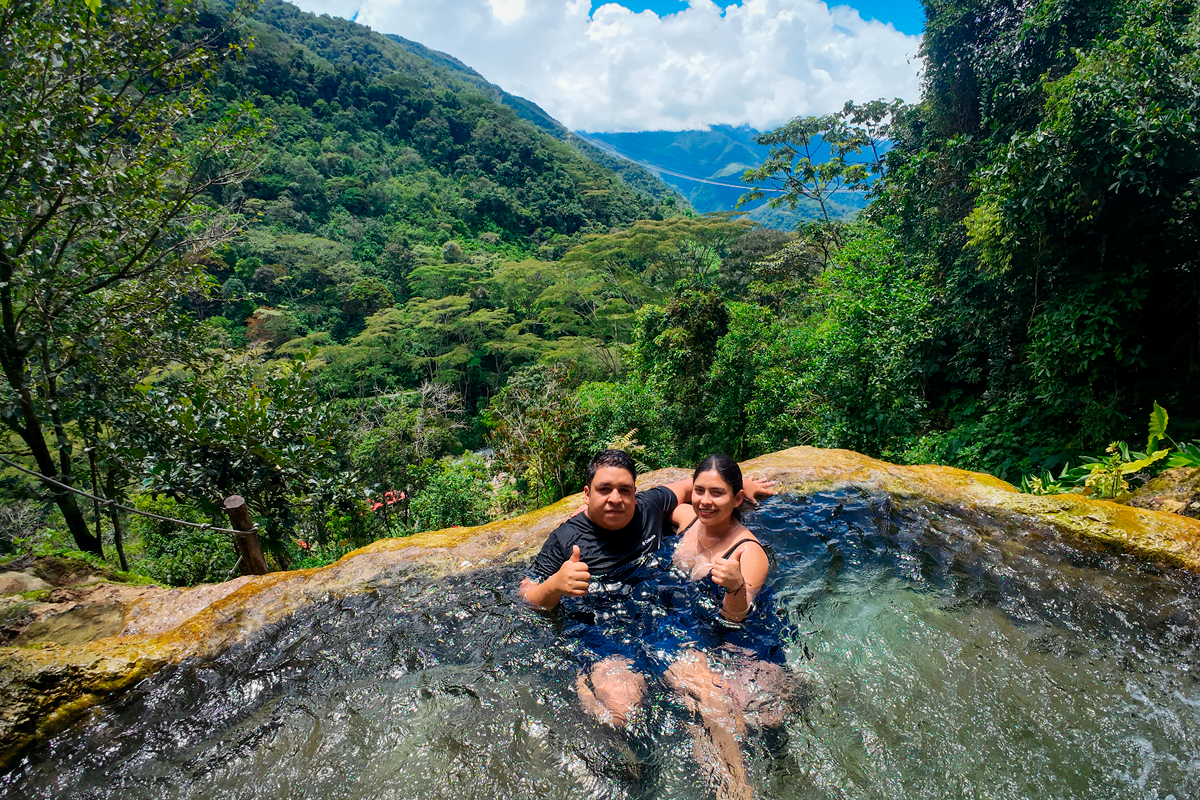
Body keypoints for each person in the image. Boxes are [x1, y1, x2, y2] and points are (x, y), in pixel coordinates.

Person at [518, 449, 775, 729]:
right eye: (603, 489)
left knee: (712, 701)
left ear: (634, 492)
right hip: (602, 633)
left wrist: (742, 488)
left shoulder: (648, 506)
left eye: (624, 490)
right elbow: (526, 596)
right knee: (622, 714)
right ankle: (592, 700)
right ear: (587, 493)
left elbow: (688, 488)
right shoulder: (565, 539)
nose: (615, 498)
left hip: (660, 622)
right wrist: (555, 585)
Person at [663, 453, 790, 800]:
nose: (705, 501)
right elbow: (664, 494)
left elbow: (737, 617)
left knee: (709, 705)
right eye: (699, 490)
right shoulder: (687, 520)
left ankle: (735, 793)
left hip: (740, 643)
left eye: (717, 493)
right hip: (697, 634)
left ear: (735, 500)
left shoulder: (748, 552)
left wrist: (734, 587)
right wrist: (588, 511)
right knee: (703, 702)